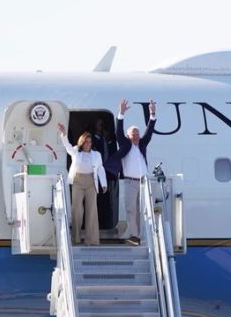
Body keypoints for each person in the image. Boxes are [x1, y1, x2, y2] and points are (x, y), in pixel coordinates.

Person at [106, 98, 157, 245]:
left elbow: (150, 131)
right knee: (130, 210)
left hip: (144, 182)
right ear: (128, 136)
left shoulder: (142, 144)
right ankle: (134, 236)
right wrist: (121, 114)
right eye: (133, 134)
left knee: (144, 210)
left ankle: (143, 235)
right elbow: (118, 131)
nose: (136, 136)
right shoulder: (125, 144)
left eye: (137, 133)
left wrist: (152, 114)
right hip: (130, 182)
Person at [57, 123, 108, 246]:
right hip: (78, 181)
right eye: (86, 142)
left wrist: (104, 183)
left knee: (91, 210)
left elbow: (100, 169)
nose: (88, 144)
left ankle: (91, 240)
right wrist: (64, 134)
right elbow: (67, 147)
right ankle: (76, 237)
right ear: (82, 142)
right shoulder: (76, 151)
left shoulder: (96, 155)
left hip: (91, 181)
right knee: (77, 210)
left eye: (90, 142)